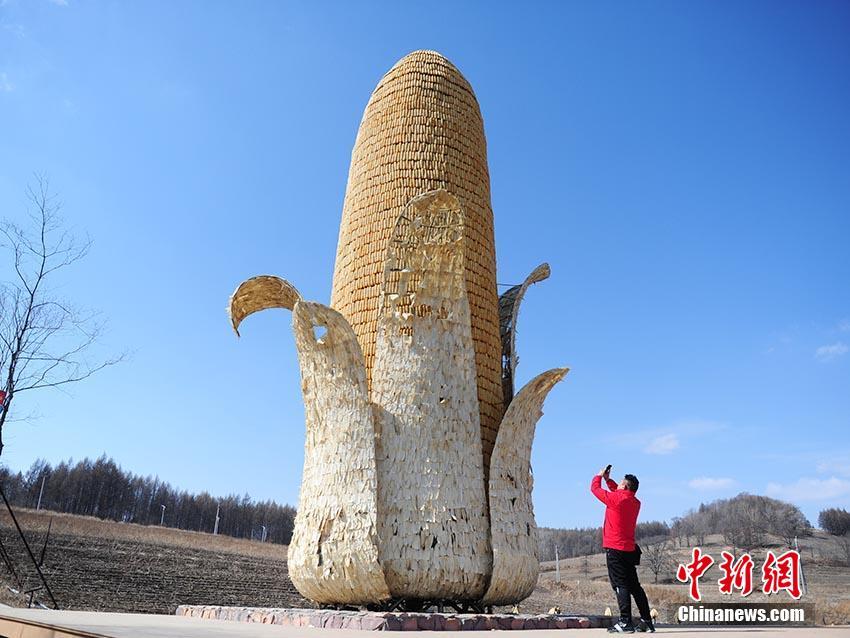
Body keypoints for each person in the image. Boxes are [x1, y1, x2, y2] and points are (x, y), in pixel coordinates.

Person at [590, 466, 655, 633]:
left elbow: (595, 489)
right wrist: (608, 480)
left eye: (620, 483)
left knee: (620, 585)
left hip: (615, 548)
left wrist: (599, 476)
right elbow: (616, 492)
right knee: (634, 586)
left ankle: (625, 621)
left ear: (625, 487)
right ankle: (646, 621)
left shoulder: (616, 500)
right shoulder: (634, 502)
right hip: (628, 550)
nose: (617, 485)